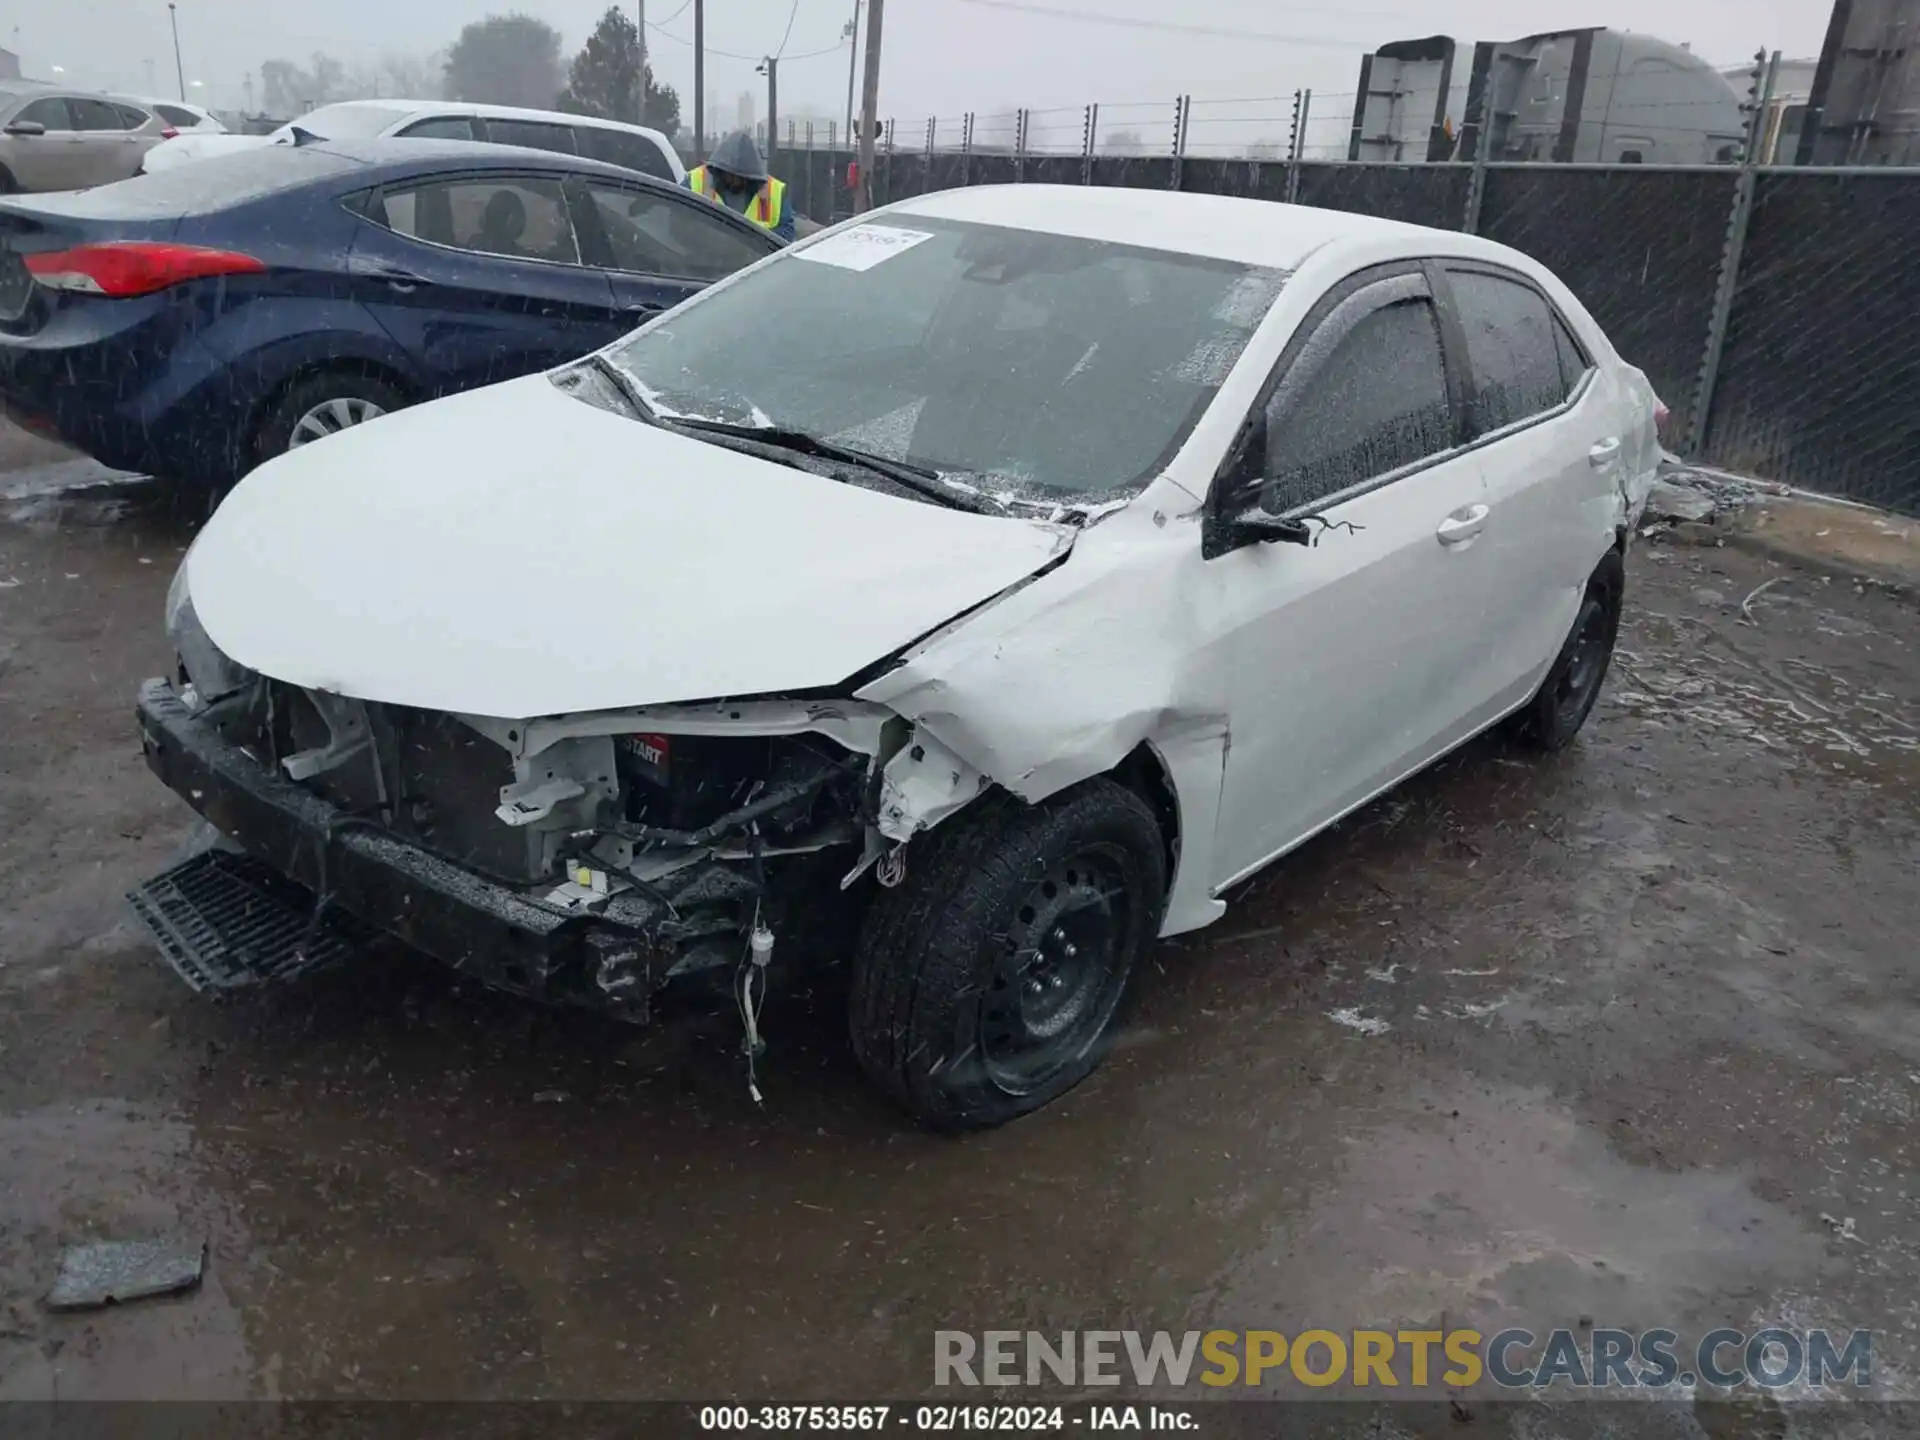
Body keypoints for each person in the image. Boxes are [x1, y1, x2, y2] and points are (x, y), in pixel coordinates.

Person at [683, 131, 795, 243]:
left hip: (758, 259)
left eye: (741, 177)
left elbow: (786, 233)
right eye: (731, 175)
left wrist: (752, 242)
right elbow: (677, 224)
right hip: (703, 258)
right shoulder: (694, 182)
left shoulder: (774, 191)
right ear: (719, 171)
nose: (735, 181)